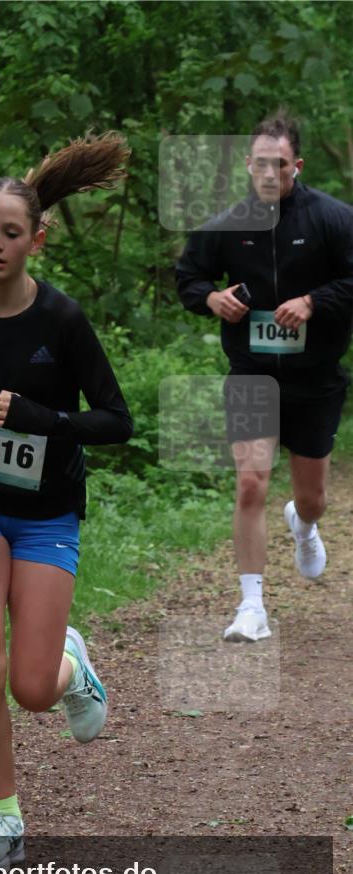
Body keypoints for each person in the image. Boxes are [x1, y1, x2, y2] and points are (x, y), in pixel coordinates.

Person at [0, 134, 133, 867]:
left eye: (11, 233)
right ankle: (3, 817)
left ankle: (71, 664)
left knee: (31, 688)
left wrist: (46, 420)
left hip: (46, 514)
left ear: (35, 239)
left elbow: (115, 420)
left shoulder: (62, 321)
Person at [176, 110, 353, 642]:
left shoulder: (332, 219)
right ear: (247, 166)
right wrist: (211, 298)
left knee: (312, 497)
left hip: (315, 376)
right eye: (260, 164)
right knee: (251, 481)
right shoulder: (227, 225)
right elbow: (189, 277)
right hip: (251, 371)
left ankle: (303, 523)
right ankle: (252, 607)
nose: (270, 174)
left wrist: (313, 302)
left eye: (280, 164)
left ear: (296, 166)